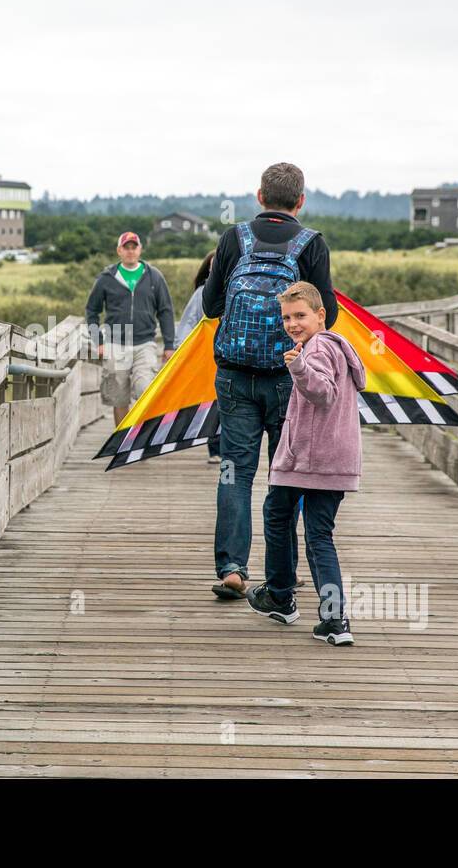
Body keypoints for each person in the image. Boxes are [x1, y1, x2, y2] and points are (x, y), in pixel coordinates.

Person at [202, 163, 338, 599]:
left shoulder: (233, 238)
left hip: (234, 375)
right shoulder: (311, 244)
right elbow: (326, 315)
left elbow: (210, 306)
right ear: (301, 201)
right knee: (287, 474)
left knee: (234, 472)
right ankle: (282, 574)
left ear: (259, 196)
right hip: (290, 375)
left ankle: (232, 568)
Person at [245, 282, 364, 645]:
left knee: (277, 513)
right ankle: (334, 619)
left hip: (308, 459)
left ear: (321, 315)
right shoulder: (336, 348)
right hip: (335, 459)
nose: (293, 323)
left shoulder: (318, 349)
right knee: (318, 535)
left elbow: (323, 392)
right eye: (286, 317)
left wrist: (298, 368)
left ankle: (281, 595)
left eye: (301, 315)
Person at [84, 231, 176, 425]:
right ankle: (123, 443)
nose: (130, 251)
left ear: (140, 249)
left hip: (145, 344)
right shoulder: (107, 278)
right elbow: (91, 311)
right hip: (116, 343)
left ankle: (140, 439)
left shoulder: (154, 276)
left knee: (146, 390)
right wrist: (98, 342)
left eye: (134, 247)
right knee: (120, 397)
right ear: (119, 250)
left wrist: (169, 344)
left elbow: (166, 311)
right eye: (126, 247)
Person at [175, 250, 221, 462]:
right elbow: (187, 324)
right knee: (212, 404)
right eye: (212, 265)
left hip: (230, 358)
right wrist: (181, 353)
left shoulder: (238, 290)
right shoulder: (201, 293)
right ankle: (215, 450)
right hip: (205, 358)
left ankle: (228, 449)